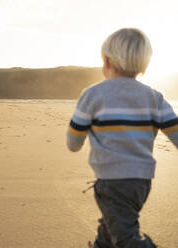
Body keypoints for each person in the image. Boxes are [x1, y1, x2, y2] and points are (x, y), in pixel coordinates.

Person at [67, 28, 178, 248]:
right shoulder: (154, 96)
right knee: (111, 229)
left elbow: (73, 139)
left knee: (126, 238)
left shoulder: (93, 95)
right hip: (141, 183)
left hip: (111, 181)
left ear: (106, 62)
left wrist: (77, 142)